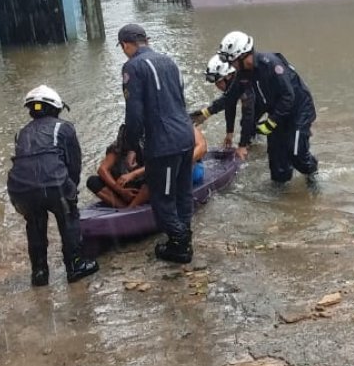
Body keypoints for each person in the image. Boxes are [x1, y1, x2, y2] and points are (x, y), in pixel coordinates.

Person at [117, 23, 197, 264]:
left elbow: (134, 114)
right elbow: (180, 100)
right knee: (183, 192)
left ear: (126, 45)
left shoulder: (132, 67)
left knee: (162, 199)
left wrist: (131, 146)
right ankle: (182, 238)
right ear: (147, 40)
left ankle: (180, 243)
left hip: (163, 143)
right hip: (185, 135)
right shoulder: (169, 61)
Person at [6, 85, 99, 286]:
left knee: (35, 225)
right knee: (69, 219)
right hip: (55, 185)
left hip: (21, 189)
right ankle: (75, 266)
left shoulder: (21, 133)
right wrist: (71, 191)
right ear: (56, 108)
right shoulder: (64, 128)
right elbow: (74, 165)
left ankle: (39, 272)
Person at [217, 30, 318, 184]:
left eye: (233, 62)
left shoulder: (271, 64)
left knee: (296, 154)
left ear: (243, 55)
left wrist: (271, 122)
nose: (232, 66)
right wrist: (206, 113)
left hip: (298, 111)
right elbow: (230, 98)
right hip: (277, 113)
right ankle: (281, 193)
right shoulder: (243, 74)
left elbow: (288, 96)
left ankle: (312, 172)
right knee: (277, 167)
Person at [192, 54, 257, 154]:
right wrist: (229, 133)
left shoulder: (245, 84)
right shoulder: (236, 83)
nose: (217, 86)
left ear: (229, 75)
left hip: (279, 106)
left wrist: (242, 146)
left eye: (218, 82)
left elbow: (248, 115)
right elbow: (229, 103)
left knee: (252, 132)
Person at [86, 125, 149, 209]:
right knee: (92, 181)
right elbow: (102, 169)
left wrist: (133, 174)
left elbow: (157, 166)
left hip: (143, 188)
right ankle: (124, 209)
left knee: (153, 180)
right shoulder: (119, 146)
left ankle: (130, 209)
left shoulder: (151, 143)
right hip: (124, 188)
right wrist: (120, 190)